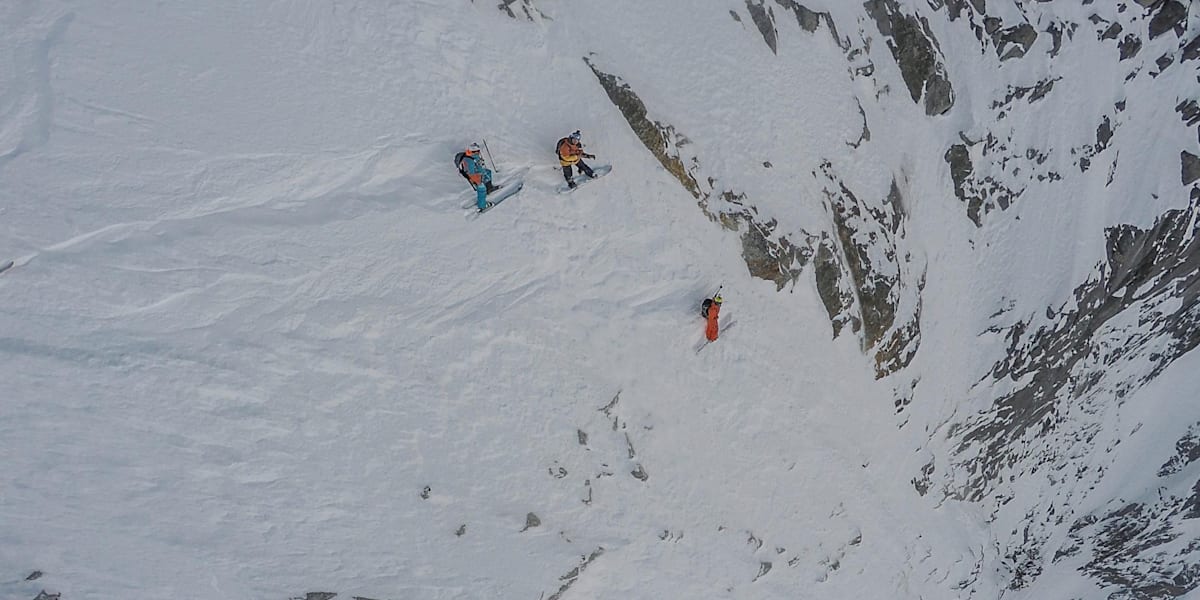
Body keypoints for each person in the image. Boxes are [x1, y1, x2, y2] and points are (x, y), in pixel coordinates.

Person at [455, 143, 499, 211]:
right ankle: (482, 206)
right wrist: (478, 181)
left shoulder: (474, 155)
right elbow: (471, 173)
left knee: (488, 172)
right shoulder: (469, 161)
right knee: (481, 189)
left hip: (480, 171)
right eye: (478, 151)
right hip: (476, 176)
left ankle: (489, 188)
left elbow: (478, 163)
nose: (479, 152)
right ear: (474, 152)